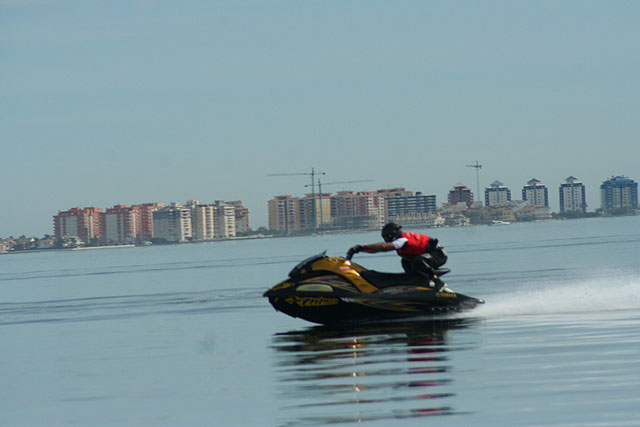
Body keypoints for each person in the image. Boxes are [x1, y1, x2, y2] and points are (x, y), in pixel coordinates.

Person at [346, 222, 449, 291]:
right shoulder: (401, 241)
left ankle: (438, 282)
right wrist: (360, 250)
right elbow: (375, 249)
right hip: (427, 257)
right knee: (405, 261)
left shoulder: (402, 240)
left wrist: (360, 247)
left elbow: (383, 247)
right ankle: (419, 283)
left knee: (417, 262)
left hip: (438, 254)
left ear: (391, 235)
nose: (386, 239)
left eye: (386, 237)